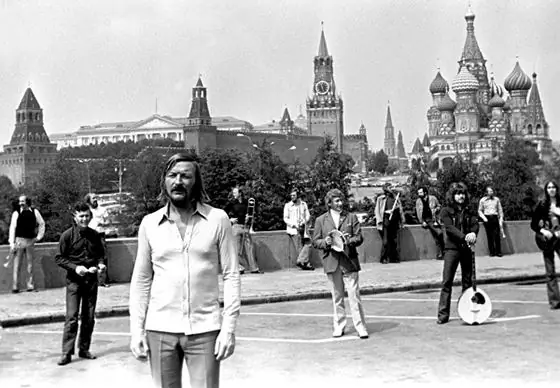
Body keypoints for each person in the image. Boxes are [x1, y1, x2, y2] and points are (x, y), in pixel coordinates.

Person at [129, 153, 241, 388]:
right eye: (172, 175)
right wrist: (136, 330)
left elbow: (231, 275)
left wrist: (228, 329)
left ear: (196, 182)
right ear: (164, 181)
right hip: (159, 328)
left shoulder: (217, 219)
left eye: (185, 176)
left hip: (205, 329)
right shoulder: (149, 224)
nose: (178, 181)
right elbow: (141, 280)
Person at [55, 201, 106, 366]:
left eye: (87, 216)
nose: (84, 219)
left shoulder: (95, 235)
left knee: (89, 317)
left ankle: (84, 349)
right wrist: (76, 268)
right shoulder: (67, 236)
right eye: (81, 216)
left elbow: (100, 255)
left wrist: (100, 264)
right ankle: (66, 352)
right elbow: (59, 258)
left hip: (91, 282)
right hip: (74, 283)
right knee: (71, 317)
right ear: (75, 217)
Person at [312, 189, 368, 339]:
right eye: (336, 201)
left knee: (354, 296)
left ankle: (360, 326)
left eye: (341, 200)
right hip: (332, 261)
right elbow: (315, 241)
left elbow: (359, 237)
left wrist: (348, 241)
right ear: (329, 203)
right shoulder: (321, 220)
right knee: (337, 297)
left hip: (349, 261)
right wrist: (326, 242)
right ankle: (339, 326)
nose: (340, 203)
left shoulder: (351, 217)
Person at [437, 182, 479, 324]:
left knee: (467, 282)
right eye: (457, 193)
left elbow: (475, 224)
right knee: (447, 281)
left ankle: (466, 311)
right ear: (452, 195)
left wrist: (473, 233)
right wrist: (465, 237)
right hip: (452, 249)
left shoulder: (469, 210)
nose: (460, 196)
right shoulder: (446, 211)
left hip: (467, 249)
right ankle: (443, 315)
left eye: (462, 193)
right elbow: (449, 228)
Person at [530, 180, 560, 310]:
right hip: (548, 240)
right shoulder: (542, 205)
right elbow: (534, 224)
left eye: (554, 187)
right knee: (550, 271)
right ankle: (555, 301)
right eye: (549, 187)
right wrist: (543, 231)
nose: (552, 189)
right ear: (546, 190)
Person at [8, 194, 45, 293]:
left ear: (27, 202)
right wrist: (12, 243)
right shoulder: (16, 213)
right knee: (17, 265)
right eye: (20, 201)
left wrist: (38, 237)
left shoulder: (34, 212)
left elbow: (42, 224)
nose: (21, 203)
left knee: (30, 265)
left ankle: (30, 286)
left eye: (22, 201)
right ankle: (15, 287)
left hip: (30, 241)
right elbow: (12, 228)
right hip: (19, 241)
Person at [225, 186, 262, 274]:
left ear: (240, 193)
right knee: (237, 248)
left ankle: (254, 268)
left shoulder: (246, 202)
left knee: (249, 247)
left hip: (245, 226)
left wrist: (248, 216)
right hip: (236, 227)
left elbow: (254, 211)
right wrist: (230, 219)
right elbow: (223, 212)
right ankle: (240, 268)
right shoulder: (232, 203)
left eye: (235, 192)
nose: (234, 194)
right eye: (233, 193)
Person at [283, 189, 314, 271]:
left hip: (303, 228)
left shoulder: (303, 204)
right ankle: (306, 264)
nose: (292, 197)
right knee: (299, 247)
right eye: (291, 195)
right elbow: (285, 218)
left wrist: (304, 221)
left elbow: (308, 215)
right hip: (294, 229)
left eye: (294, 195)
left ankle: (301, 261)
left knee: (309, 243)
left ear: (298, 196)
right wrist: (293, 225)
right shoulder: (288, 205)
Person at [375, 183, 405, 264]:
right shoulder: (381, 199)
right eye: (390, 187)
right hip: (385, 221)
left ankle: (394, 258)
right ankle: (383, 258)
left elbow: (400, 210)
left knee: (394, 240)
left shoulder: (396, 198)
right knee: (385, 241)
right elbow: (377, 211)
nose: (392, 188)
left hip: (394, 221)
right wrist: (380, 220)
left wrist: (402, 221)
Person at [85, 193, 110, 287]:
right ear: (88, 201)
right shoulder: (86, 211)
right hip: (89, 235)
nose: (95, 200)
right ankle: (91, 280)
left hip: (100, 235)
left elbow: (108, 221)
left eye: (96, 198)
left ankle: (104, 280)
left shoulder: (103, 210)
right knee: (89, 256)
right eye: (93, 198)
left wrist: (102, 222)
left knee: (103, 256)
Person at [416, 186, 444, 260]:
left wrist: (435, 209)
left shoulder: (433, 198)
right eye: (418, 193)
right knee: (439, 233)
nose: (419, 194)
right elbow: (418, 212)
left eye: (421, 192)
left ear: (425, 192)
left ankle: (440, 254)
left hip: (434, 219)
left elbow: (439, 206)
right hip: (427, 220)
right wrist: (422, 222)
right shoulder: (418, 201)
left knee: (437, 236)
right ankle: (441, 253)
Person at [478, 186, 504, 257]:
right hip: (487, 218)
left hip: (495, 218)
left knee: (497, 235)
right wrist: (484, 218)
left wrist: (501, 218)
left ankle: (498, 252)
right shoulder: (482, 200)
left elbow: (500, 210)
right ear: (486, 192)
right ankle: (492, 252)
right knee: (489, 236)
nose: (491, 192)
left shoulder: (496, 199)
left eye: (492, 191)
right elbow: (479, 210)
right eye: (490, 191)